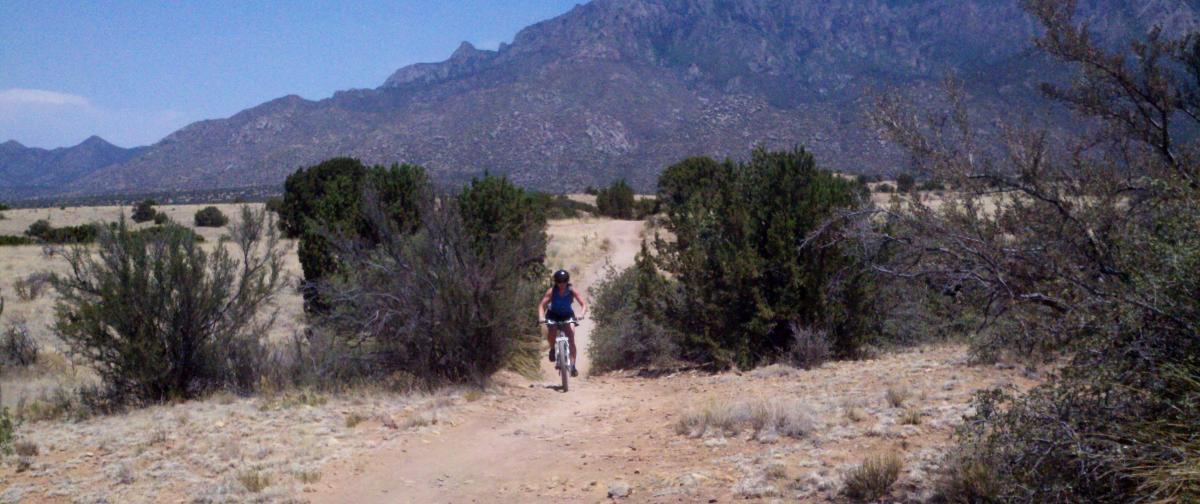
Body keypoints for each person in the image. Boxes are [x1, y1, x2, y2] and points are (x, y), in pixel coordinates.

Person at [539, 269, 587, 377]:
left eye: (564, 281)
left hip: (567, 315)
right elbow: (542, 305)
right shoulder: (551, 291)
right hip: (553, 314)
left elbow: (583, 304)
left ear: (567, 281)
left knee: (570, 337)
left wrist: (581, 314)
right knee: (552, 330)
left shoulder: (572, 291)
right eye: (559, 281)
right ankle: (552, 349)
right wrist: (541, 317)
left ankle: (573, 366)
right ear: (556, 282)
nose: (562, 284)